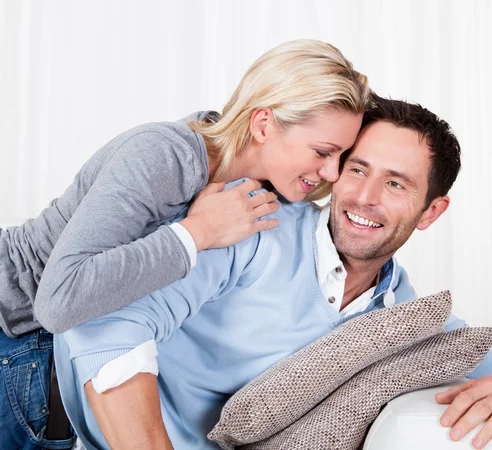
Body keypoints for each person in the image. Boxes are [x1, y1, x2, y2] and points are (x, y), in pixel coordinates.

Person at [54, 96, 492, 449]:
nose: (363, 196)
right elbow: (105, 322)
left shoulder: (401, 319)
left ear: (431, 212)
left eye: (396, 184)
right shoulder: (249, 225)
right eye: (357, 169)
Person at [0, 39, 370, 449]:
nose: (333, 173)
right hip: (14, 327)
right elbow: (58, 302)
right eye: (323, 152)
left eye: (342, 156)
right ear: (264, 124)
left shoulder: (261, 195)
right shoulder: (163, 155)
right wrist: (197, 234)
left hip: (56, 370)